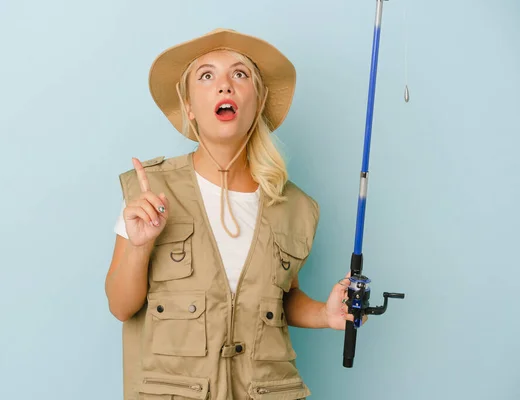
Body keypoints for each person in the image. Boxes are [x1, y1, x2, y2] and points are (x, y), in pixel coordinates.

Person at [105, 28, 365, 400]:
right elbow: (120, 306)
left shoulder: (296, 207)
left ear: (258, 102)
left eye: (240, 74)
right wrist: (139, 246)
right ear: (190, 107)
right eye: (206, 76)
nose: (224, 86)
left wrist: (326, 314)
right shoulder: (149, 191)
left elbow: (280, 299)